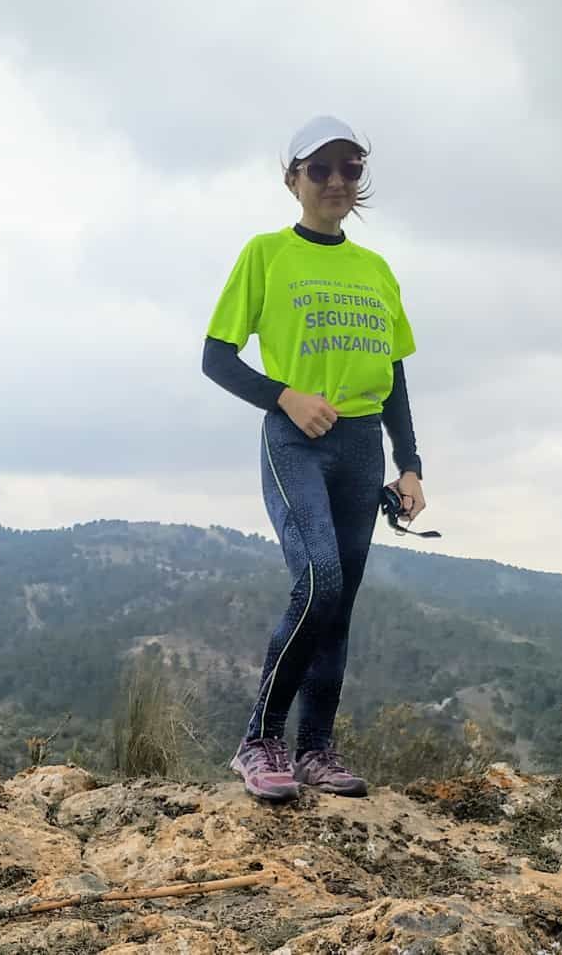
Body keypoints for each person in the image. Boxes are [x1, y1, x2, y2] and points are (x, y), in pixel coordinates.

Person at [201, 115, 426, 802]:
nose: (335, 181)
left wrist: (410, 463)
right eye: (320, 169)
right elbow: (216, 357)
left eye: (350, 168)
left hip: (361, 449)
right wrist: (285, 397)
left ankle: (314, 751)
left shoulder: (375, 269)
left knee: (340, 605)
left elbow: (394, 375)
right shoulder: (266, 254)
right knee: (318, 582)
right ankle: (258, 740)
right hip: (296, 440)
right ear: (292, 178)